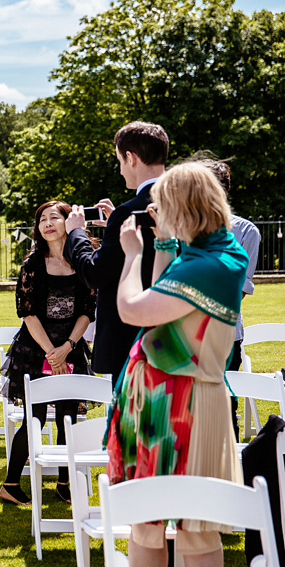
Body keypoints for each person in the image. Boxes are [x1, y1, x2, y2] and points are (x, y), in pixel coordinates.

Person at [107, 162, 247, 566]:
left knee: (194, 534)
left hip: (186, 409)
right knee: (145, 524)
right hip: (159, 405)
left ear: (183, 207)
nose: (158, 213)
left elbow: (134, 308)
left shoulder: (210, 266)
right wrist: (165, 245)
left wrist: (132, 255)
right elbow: (163, 298)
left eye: (162, 206)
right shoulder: (209, 254)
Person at [0, 201, 96, 506]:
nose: (48, 222)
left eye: (55, 217)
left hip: (71, 346)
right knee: (35, 417)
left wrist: (66, 348)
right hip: (34, 349)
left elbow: (87, 311)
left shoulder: (83, 262)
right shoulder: (32, 264)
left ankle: (65, 483)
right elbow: (26, 313)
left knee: (69, 415)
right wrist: (51, 353)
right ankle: (11, 484)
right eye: (42, 219)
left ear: (70, 222)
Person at [64, 121, 168, 385]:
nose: (121, 170)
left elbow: (95, 274)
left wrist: (76, 232)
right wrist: (113, 225)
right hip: (176, 336)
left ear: (131, 158)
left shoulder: (129, 211)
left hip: (131, 340)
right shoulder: (184, 203)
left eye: (120, 161)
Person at [199, 158, 260, 440]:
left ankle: (231, 474)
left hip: (223, 334)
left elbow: (238, 293)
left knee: (224, 404)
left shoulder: (246, 232)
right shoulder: (173, 228)